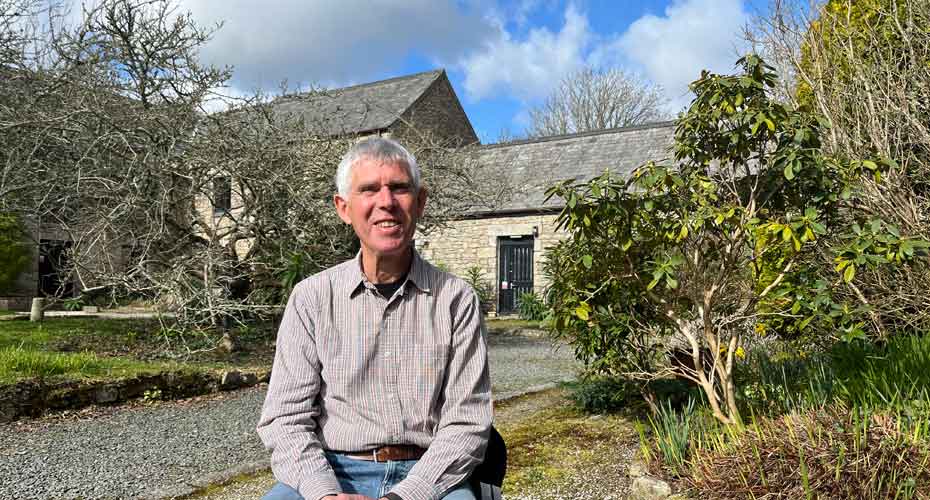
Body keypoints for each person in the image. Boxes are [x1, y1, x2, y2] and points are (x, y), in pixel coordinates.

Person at [257, 137, 493, 500]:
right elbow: (285, 418)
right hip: (334, 469)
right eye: (369, 189)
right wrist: (324, 493)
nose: (386, 202)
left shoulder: (456, 299)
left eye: (399, 188)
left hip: (429, 473)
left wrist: (404, 496)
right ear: (343, 207)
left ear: (420, 202)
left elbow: (468, 421)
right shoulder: (312, 298)